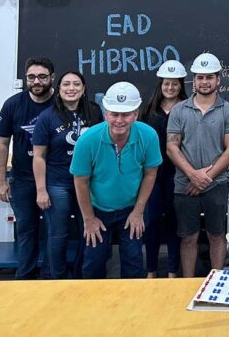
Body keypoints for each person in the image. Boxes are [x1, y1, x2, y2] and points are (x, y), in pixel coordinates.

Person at [70, 81, 162, 279]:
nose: (119, 120)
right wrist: (89, 219)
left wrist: (138, 212)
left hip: (131, 208)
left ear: (136, 114)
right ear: (106, 114)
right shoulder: (87, 140)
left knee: (134, 261)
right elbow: (80, 181)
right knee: (93, 263)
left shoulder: (149, 136)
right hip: (97, 209)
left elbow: (150, 174)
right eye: (114, 114)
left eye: (126, 114)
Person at [167, 53, 229, 276]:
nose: (204, 82)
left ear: (218, 79)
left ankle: (216, 282)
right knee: (188, 237)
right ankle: (188, 285)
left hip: (217, 184)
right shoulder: (179, 110)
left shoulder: (228, 110)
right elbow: (172, 147)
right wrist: (193, 175)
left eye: (209, 77)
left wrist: (204, 178)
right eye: (200, 77)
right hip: (185, 184)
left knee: (216, 235)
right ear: (194, 80)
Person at [32, 71, 102, 279]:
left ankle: (83, 277)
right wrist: (41, 190)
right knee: (58, 235)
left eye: (76, 84)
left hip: (88, 184)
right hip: (58, 184)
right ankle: (57, 278)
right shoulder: (47, 117)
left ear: (83, 89)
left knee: (89, 232)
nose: (71, 88)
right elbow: (39, 156)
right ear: (59, 89)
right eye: (66, 84)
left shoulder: (94, 112)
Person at [0, 56, 56, 279]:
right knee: (26, 229)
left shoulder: (62, 103)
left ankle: (51, 277)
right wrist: (0, 181)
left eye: (42, 76)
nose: (36, 81)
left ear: (52, 78)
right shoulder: (13, 104)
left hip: (55, 179)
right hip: (22, 179)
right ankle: (25, 279)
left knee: (54, 231)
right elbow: (1, 143)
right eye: (31, 77)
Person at [139, 60, 188, 278]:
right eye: (166, 83)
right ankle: (150, 270)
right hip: (152, 176)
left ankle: (172, 270)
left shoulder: (187, 108)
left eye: (175, 84)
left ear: (181, 85)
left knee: (174, 223)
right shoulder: (148, 110)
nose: (170, 87)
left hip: (178, 174)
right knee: (151, 223)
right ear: (160, 84)